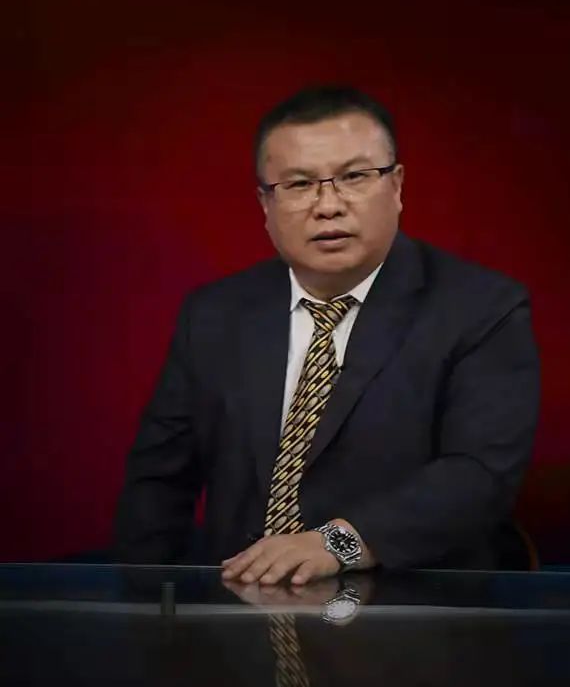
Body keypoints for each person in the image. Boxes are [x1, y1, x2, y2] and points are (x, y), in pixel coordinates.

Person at [114, 85, 540, 586]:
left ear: (397, 186)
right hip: (240, 609)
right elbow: (158, 482)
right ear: (265, 203)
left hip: (407, 611)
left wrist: (338, 542)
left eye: (354, 177)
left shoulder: (481, 309)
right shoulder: (215, 315)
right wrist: (150, 607)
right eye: (299, 184)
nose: (328, 206)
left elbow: (480, 474)